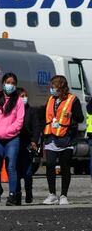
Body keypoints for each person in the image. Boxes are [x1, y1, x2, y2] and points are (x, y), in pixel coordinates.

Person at [41, 75, 83, 205]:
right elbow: (45, 116)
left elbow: (80, 118)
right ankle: (52, 194)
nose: (51, 89)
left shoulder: (73, 100)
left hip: (66, 138)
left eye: (53, 86)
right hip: (51, 138)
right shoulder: (51, 99)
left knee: (65, 167)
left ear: (61, 87)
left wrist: (72, 116)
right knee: (50, 165)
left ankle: (64, 195)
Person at [0, 73, 25, 206]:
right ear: (3, 83)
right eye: (8, 82)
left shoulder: (18, 101)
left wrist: (7, 131)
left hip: (12, 139)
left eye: (13, 83)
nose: (10, 85)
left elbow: (19, 121)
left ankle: (12, 195)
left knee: (11, 166)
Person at [16, 87, 41, 204]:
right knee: (15, 170)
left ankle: (29, 193)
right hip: (15, 143)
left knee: (27, 171)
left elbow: (36, 128)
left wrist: (34, 141)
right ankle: (17, 193)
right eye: (21, 96)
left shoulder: (31, 111)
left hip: (28, 144)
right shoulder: (14, 110)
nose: (24, 98)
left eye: (25, 96)